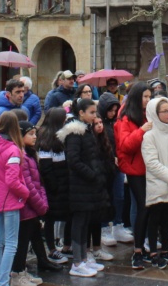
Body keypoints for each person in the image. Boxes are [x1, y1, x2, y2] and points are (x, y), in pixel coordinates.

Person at [57, 99, 109, 278]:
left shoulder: (86, 131)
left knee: (85, 222)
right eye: (92, 112)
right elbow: (74, 160)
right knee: (79, 223)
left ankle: (84, 259)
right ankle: (77, 262)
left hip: (88, 186)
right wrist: (91, 174)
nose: (95, 116)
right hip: (80, 186)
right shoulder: (75, 133)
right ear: (81, 113)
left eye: (95, 112)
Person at [0, 112, 30, 286]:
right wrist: (25, 192)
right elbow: (12, 180)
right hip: (11, 200)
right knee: (11, 244)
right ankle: (3, 281)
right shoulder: (13, 149)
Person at [140, 97, 168, 269]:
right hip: (158, 182)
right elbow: (151, 162)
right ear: (155, 113)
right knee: (155, 217)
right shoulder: (149, 136)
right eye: (164, 111)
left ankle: (166, 250)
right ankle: (153, 252)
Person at [12, 121, 56, 285]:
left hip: (33, 205)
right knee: (22, 242)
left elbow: (38, 181)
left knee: (33, 235)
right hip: (26, 206)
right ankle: (17, 274)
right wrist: (41, 204)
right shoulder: (22, 156)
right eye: (30, 134)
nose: (35, 136)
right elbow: (28, 185)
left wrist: (41, 200)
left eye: (35, 133)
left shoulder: (29, 153)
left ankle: (24, 270)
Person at [115, 82, 153, 270]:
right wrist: (142, 130)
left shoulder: (148, 114)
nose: (147, 100)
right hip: (135, 168)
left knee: (149, 208)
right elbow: (125, 145)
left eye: (149, 97)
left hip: (149, 167)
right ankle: (137, 250)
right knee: (143, 207)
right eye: (144, 97)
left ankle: (145, 246)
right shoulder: (126, 118)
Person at [36, 108, 73, 265]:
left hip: (63, 184)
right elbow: (46, 167)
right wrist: (55, 186)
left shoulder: (61, 136)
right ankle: (51, 249)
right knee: (50, 218)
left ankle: (65, 246)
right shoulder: (46, 138)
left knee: (67, 215)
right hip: (54, 186)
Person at [97, 92, 132, 245]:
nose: (112, 113)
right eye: (109, 110)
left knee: (119, 196)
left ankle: (118, 225)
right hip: (105, 167)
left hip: (118, 166)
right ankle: (104, 227)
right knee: (106, 198)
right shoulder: (99, 125)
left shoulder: (115, 124)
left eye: (114, 110)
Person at [88, 115, 117, 262]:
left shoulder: (104, 141)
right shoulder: (89, 142)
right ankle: (88, 251)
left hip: (104, 183)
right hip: (93, 184)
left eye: (101, 122)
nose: (100, 125)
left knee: (98, 218)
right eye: (96, 123)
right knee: (90, 219)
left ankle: (97, 248)